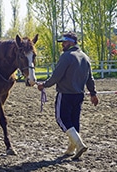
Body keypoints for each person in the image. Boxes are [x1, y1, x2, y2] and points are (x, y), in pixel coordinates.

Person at [37, 31, 99, 160]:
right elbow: (90, 78)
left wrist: (45, 85)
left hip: (65, 94)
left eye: (64, 42)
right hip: (79, 95)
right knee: (74, 120)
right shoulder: (85, 57)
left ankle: (79, 144)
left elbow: (57, 75)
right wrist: (93, 93)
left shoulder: (66, 56)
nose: (62, 45)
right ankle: (71, 149)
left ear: (71, 42)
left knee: (62, 119)